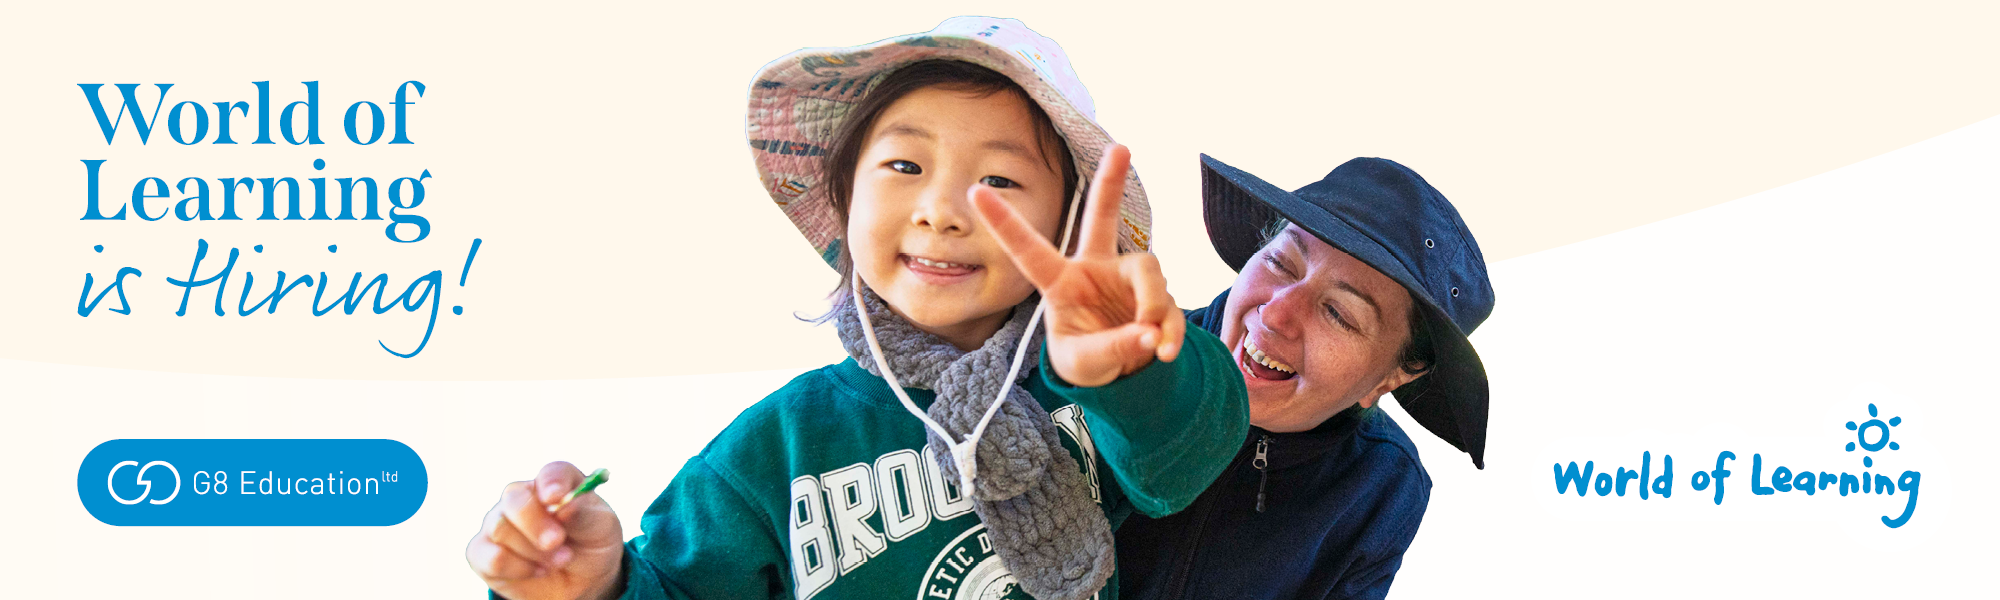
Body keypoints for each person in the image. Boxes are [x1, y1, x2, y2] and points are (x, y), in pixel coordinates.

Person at [464, 18, 1248, 600]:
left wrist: (1130, 372)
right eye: (905, 164)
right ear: (843, 202)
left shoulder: (1102, 386)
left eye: (1001, 182)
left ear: (1069, 227)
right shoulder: (774, 451)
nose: (942, 209)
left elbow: (1187, 454)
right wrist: (593, 585)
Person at [1115, 155, 1497, 600]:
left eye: (1338, 313)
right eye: (1281, 263)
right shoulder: (1108, 358)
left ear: (1391, 378)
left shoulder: (1384, 489)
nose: (1276, 313)